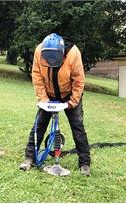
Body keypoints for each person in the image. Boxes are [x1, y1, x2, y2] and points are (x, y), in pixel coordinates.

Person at [19, 33, 91, 176]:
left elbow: (79, 80)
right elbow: (37, 76)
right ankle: (29, 158)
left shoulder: (73, 53)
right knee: (39, 125)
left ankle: (84, 164)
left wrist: (72, 102)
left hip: (69, 93)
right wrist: (43, 100)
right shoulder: (39, 51)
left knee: (78, 127)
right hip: (49, 94)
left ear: (62, 53)